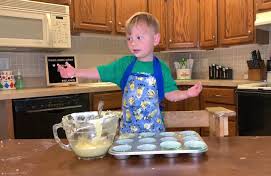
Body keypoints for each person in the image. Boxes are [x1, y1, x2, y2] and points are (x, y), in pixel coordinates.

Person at [57, 12, 202, 134]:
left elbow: (171, 94)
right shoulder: (124, 64)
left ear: (155, 39)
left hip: (155, 134)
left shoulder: (161, 68)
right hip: (127, 135)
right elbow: (100, 72)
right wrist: (75, 72)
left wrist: (187, 93)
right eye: (129, 38)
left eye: (139, 37)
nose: (133, 43)